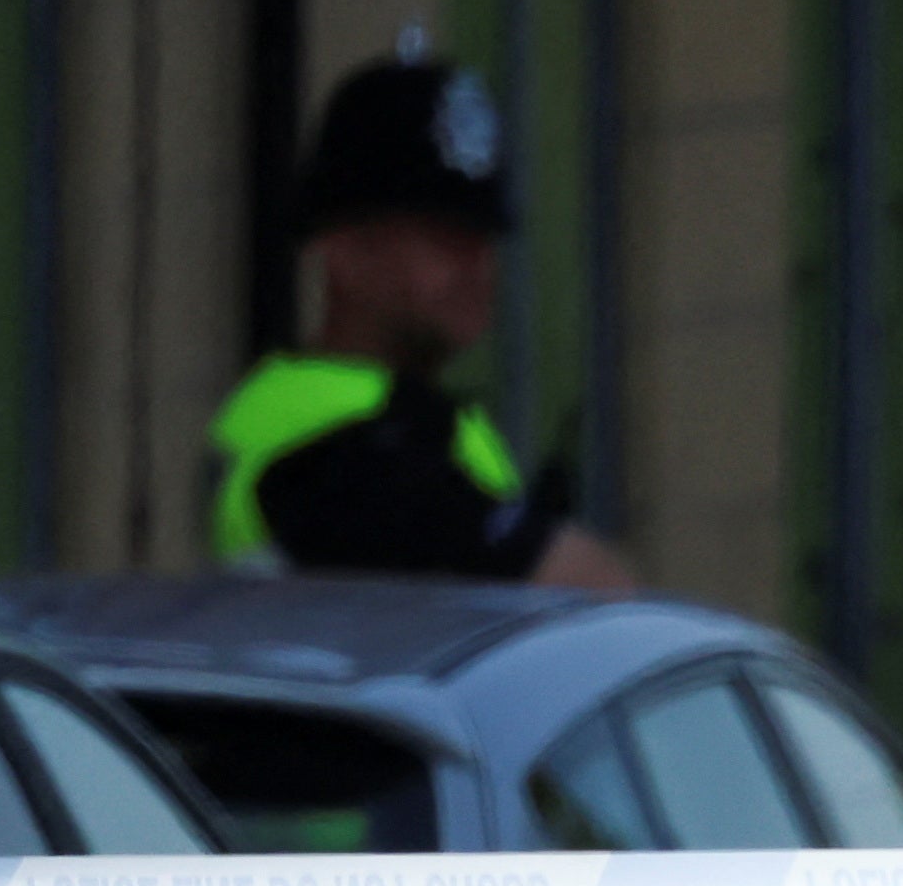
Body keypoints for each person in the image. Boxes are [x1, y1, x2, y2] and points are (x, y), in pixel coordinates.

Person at [213, 51, 636, 591]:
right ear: (343, 249)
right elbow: (588, 593)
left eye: (484, 238)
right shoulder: (331, 441)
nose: (478, 266)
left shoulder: (410, 416)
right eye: (444, 237)